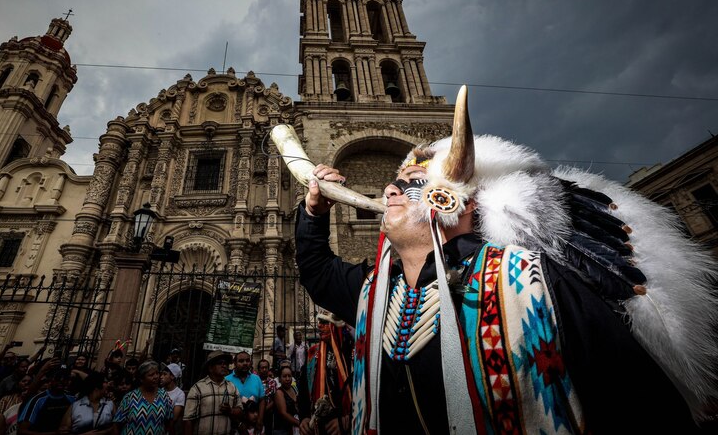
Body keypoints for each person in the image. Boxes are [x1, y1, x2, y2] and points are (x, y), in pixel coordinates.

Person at [294, 86, 714, 433]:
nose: (389, 191)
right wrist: (313, 212)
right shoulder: (375, 291)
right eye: (391, 185)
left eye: (411, 184)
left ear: (458, 202)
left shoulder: (532, 282)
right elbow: (317, 272)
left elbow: (638, 402)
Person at [297, 313, 352, 435]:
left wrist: (348, 420)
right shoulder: (312, 354)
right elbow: (303, 391)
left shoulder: (354, 353)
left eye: (325, 322)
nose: (319, 325)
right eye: (319, 321)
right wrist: (304, 417)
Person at [183, 350, 241, 435]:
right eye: (219, 363)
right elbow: (188, 420)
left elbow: (240, 410)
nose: (224, 365)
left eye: (225, 363)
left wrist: (231, 411)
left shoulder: (232, 387)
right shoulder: (198, 388)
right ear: (210, 368)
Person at [112, 360, 173, 435]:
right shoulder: (130, 397)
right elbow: (117, 424)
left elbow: (169, 421)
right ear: (141, 379)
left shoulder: (164, 396)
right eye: (151, 375)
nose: (156, 377)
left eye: (157, 373)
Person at [17, 368, 75, 435]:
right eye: (57, 378)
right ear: (50, 380)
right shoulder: (38, 400)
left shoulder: (72, 398)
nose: (61, 381)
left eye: (65, 379)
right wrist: (55, 433)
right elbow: (22, 431)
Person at [270, 366, 298, 435]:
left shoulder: (294, 388)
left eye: (289, 376)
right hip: (282, 430)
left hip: (294, 428)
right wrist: (299, 423)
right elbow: (284, 413)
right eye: (284, 376)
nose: (287, 379)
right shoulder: (279, 392)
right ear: (279, 379)